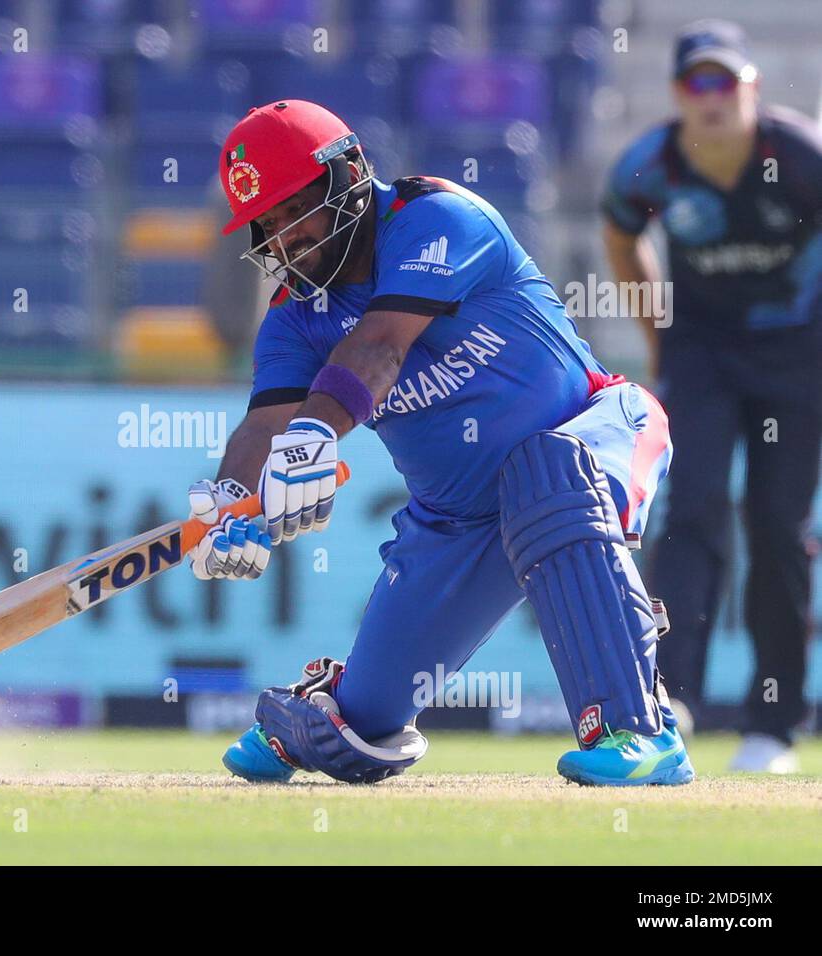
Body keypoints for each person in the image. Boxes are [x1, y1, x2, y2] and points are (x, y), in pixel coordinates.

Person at [183, 98, 690, 786]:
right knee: (356, 734)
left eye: (292, 211)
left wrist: (315, 432)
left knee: (546, 475)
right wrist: (233, 500)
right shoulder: (293, 320)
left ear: (348, 177)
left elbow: (380, 345)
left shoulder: (436, 219)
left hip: (592, 431)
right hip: (456, 520)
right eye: (265, 226)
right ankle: (330, 704)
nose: (283, 241)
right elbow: (262, 425)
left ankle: (640, 730)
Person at [602, 20, 822, 773]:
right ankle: (672, 699)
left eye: (726, 81)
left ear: (751, 87)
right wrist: (661, 336)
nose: (713, 97)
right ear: (677, 95)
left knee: (779, 527)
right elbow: (620, 234)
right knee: (690, 509)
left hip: (798, 353)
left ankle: (773, 725)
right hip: (701, 354)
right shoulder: (651, 165)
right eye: (699, 82)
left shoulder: (802, 157)